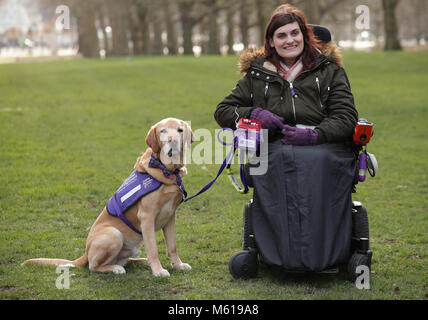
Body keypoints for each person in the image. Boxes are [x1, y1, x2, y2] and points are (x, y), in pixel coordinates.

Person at [214, 4, 359, 272]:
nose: (289, 40)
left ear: (304, 35)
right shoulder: (257, 74)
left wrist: (316, 135)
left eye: (295, 33)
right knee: (277, 163)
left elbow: (346, 117)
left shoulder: (329, 71)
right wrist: (255, 113)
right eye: (281, 35)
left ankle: (323, 253)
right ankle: (281, 255)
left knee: (320, 162)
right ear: (271, 41)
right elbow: (223, 111)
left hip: (324, 145)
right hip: (276, 145)